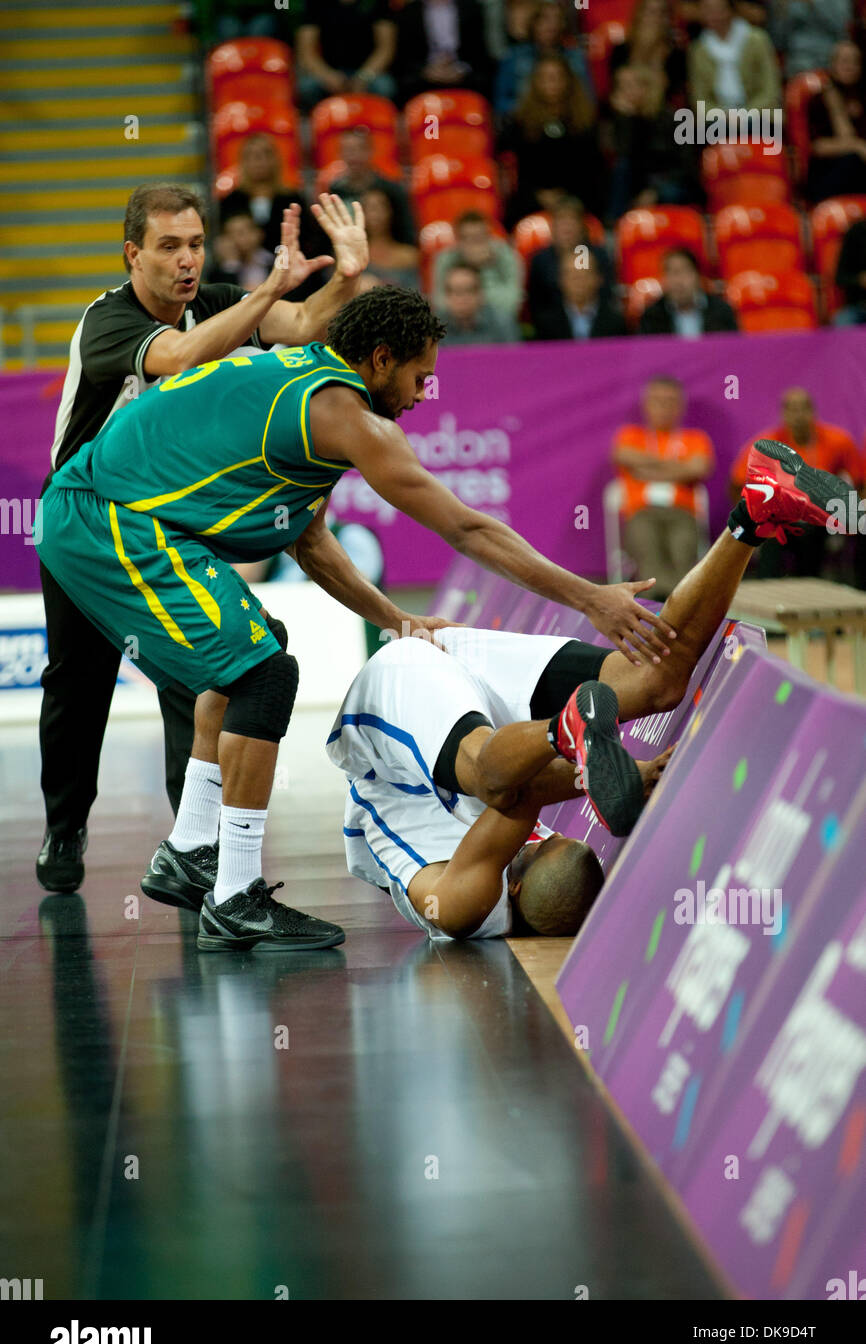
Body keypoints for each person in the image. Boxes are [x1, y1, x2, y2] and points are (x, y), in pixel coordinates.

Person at [35, 286, 676, 949]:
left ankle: (193, 846)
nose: (426, 391)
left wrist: (394, 618)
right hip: (105, 519)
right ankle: (232, 895)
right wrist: (590, 598)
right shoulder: (346, 416)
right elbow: (465, 527)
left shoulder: (308, 377)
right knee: (263, 676)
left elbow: (309, 544)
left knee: (254, 653)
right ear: (377, 359)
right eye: (419, 374)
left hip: (112, 511)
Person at [327, 436, 851, 940]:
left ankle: (564, 729)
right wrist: (622, 774)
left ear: (522, 882)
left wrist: (595, 772)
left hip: (392, 708)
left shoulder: (459, 905)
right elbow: (524, 796)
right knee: (657, 680)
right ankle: (754, 514)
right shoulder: (512, 870)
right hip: (463, 694)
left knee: (489, 776)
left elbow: (516, 793)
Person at [35, 185, 368, 894]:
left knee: (204, 672)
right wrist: (264, 295)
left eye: (194, 244)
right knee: (78, 684)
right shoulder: (109, 323)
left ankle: (196, 843)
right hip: (88, 524)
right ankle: (66, 826)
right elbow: (183, 356)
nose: (187, 261)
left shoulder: (219, 300)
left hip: (168, 518)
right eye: (168, 247)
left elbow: (308, 320)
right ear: (133, 255)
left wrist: (349, 273)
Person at [729, 386, 862, 577]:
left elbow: (858, 482)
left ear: (813, 411)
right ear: (783, 414)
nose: (798, 415)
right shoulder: (767, 443)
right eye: (792, 409)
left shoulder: (838, 441)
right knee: (771, 536)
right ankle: (768, 590)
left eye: (804, 408)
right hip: (780, 516)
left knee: (815, 536)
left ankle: (810, 592)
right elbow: (736, 483)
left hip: (819, 518)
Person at [611, 375, 715, 598]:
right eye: (657, 401)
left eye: (670, 401)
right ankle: (663, 600)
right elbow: (623, 455)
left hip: (682, 513)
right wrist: (678, 468)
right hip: (641, 513)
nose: (663, 407)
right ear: (646, 405)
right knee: (647, 548)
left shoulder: (695, 438)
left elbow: (698, 468)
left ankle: (676, 603)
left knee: (683, 549)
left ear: (680, 407)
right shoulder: (630, 435)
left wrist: (648, 470)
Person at [499, 53, 606, 225]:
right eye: (545, 77)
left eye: (557, 77)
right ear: (536, 82)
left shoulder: (586, 121)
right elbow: (517, 165)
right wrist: (542, 196)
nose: (552, 83)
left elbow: (591, 167)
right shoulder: (520, 121)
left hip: (577, 199)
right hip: (531, 198)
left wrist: (563, 198)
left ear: (568, 81)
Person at [218, 133, 329, 280]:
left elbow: (307, 238)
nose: (258, 161)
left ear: (275, 160)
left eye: (265, 154)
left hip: (288, 268)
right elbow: (225, 241)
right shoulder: (231, 201)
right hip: (242, 270)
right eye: (252, 156)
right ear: (243, 161)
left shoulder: (292, 199)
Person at [606, 64, 702, 221]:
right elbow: (625, 157)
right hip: (640, 185)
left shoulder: (674, 119)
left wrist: (654, 191)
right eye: (621, 87)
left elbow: (687, 167)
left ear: (646, 88)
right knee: (621, 168)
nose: (625, 93)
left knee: (671, 192)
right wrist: (628, 120)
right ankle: (615, 228)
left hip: (673, 182)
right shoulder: (623, 120)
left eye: (631, 86)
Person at [687, 0, 781, 124]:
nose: (713, 15)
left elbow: (770, 90)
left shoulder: (757, 40)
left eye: (718, 9)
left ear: (730, 10)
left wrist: (745, 114)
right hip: (718, 118)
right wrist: (724, 116)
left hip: (758, 114)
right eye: (707, 9)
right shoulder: (698, 50)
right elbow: (700, 99)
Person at [494, 0, 594, 116]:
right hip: (524, 123)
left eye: (557, 19)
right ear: (533, 22)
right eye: (545, 19)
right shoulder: (514, 57)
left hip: (568, 122)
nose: (551, 25)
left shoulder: (575, 57)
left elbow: (588, 101)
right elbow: (501, 103)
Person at [526, 196, 613, 325]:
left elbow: (606, 297)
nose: (567, 229)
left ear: (582, 226)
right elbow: (536, 302)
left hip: (596, 324)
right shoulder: (541, 260)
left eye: (572, 222)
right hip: (551, 327)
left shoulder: (597, 256)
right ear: (552, 226)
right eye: (561, 222)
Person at [295, 0, 398, 108]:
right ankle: (320, 118)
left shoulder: (376, 3)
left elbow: (385, 49)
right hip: (328, 71)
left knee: (385, 87)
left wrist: (363, 77)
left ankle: (376, 119)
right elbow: (306, 51)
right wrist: (328, 76)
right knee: (306, 87)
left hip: (369, 72)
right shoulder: (316, 3)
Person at [432, 209, 523, 324]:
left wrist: (469, 301)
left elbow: (512, 303)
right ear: (457, 240)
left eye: (479, 238)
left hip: (497, 323)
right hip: (456, 325)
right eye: (467, 238)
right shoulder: (445, 259)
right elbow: (440, 304)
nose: (473, 245)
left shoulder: (506, 255)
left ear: (489, 236)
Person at [394, 0, 494, 104]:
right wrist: (426, 71)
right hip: (423, 73)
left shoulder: (472, 9)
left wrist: (461, 69)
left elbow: (480, 52)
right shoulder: (409, 11)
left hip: (464, 72)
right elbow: (404, 56)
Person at [329, 127, 415, 248]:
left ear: (370, 151)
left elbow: (406, 233)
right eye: (348, 150)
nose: (353, 155)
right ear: (340, 153)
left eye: (359, 149)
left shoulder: (392, 190)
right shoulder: (334, 191)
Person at [806, 39, 866, 204]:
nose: (850, 67)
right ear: (833, 65)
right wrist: (857, 146)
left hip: (859, 173)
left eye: (856, 62)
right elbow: (818, 147)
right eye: (845, 61)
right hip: (829, 173)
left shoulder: (862, 98)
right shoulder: (819, 100)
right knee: (852, 159)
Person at [638, 246, 738, 336]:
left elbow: (732, 349)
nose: (678, 281)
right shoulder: (651, 316)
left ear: (698, 276)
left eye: (684, 271)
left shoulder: (721, 311)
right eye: (672, 273)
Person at [530, 249, 627, 340]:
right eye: (571, 274)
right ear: (560, 279)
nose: (578, 280)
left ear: (598, 278)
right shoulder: (545, 324)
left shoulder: (616, 322)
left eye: (584, 273)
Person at [609, 0, 688, 106]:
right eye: (650, 11)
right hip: (625, 113)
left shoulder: (677, 57)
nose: (655, 18)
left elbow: (676, 98)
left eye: (661, 13)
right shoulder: (621, 51)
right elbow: (613, 92)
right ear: (638, 14)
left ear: (668, 19)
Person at [769, 0, 852, 81]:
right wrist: (781, 12)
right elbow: (779, 40)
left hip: (830, 54)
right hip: (798, 58)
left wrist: (813, 3)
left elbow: (841, 27)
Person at [438, 261, 521, 342]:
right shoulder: (435, 328)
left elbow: (515, 354)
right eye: (456, 292)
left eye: (469, 290)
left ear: (480, 294)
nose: (462, 298)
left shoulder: (502, 323)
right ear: (446, 296)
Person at [361, 187, 420, 290]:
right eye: (369, 208)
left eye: (380, 207)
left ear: (390, 211)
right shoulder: (353, 257)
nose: (375, 215)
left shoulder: (409, 255)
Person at [208, 211, 273, 291]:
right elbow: (226, 298)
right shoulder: (219, 272)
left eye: (241, 232)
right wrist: (231, 263)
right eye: (231, 234)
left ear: (258, 233)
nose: (236, 238)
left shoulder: (275, 262)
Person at [834, 212, 866, 325]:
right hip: (858, 307)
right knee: (842, 322)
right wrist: (860, 280)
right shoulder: (857, 232)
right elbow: (839, 278)